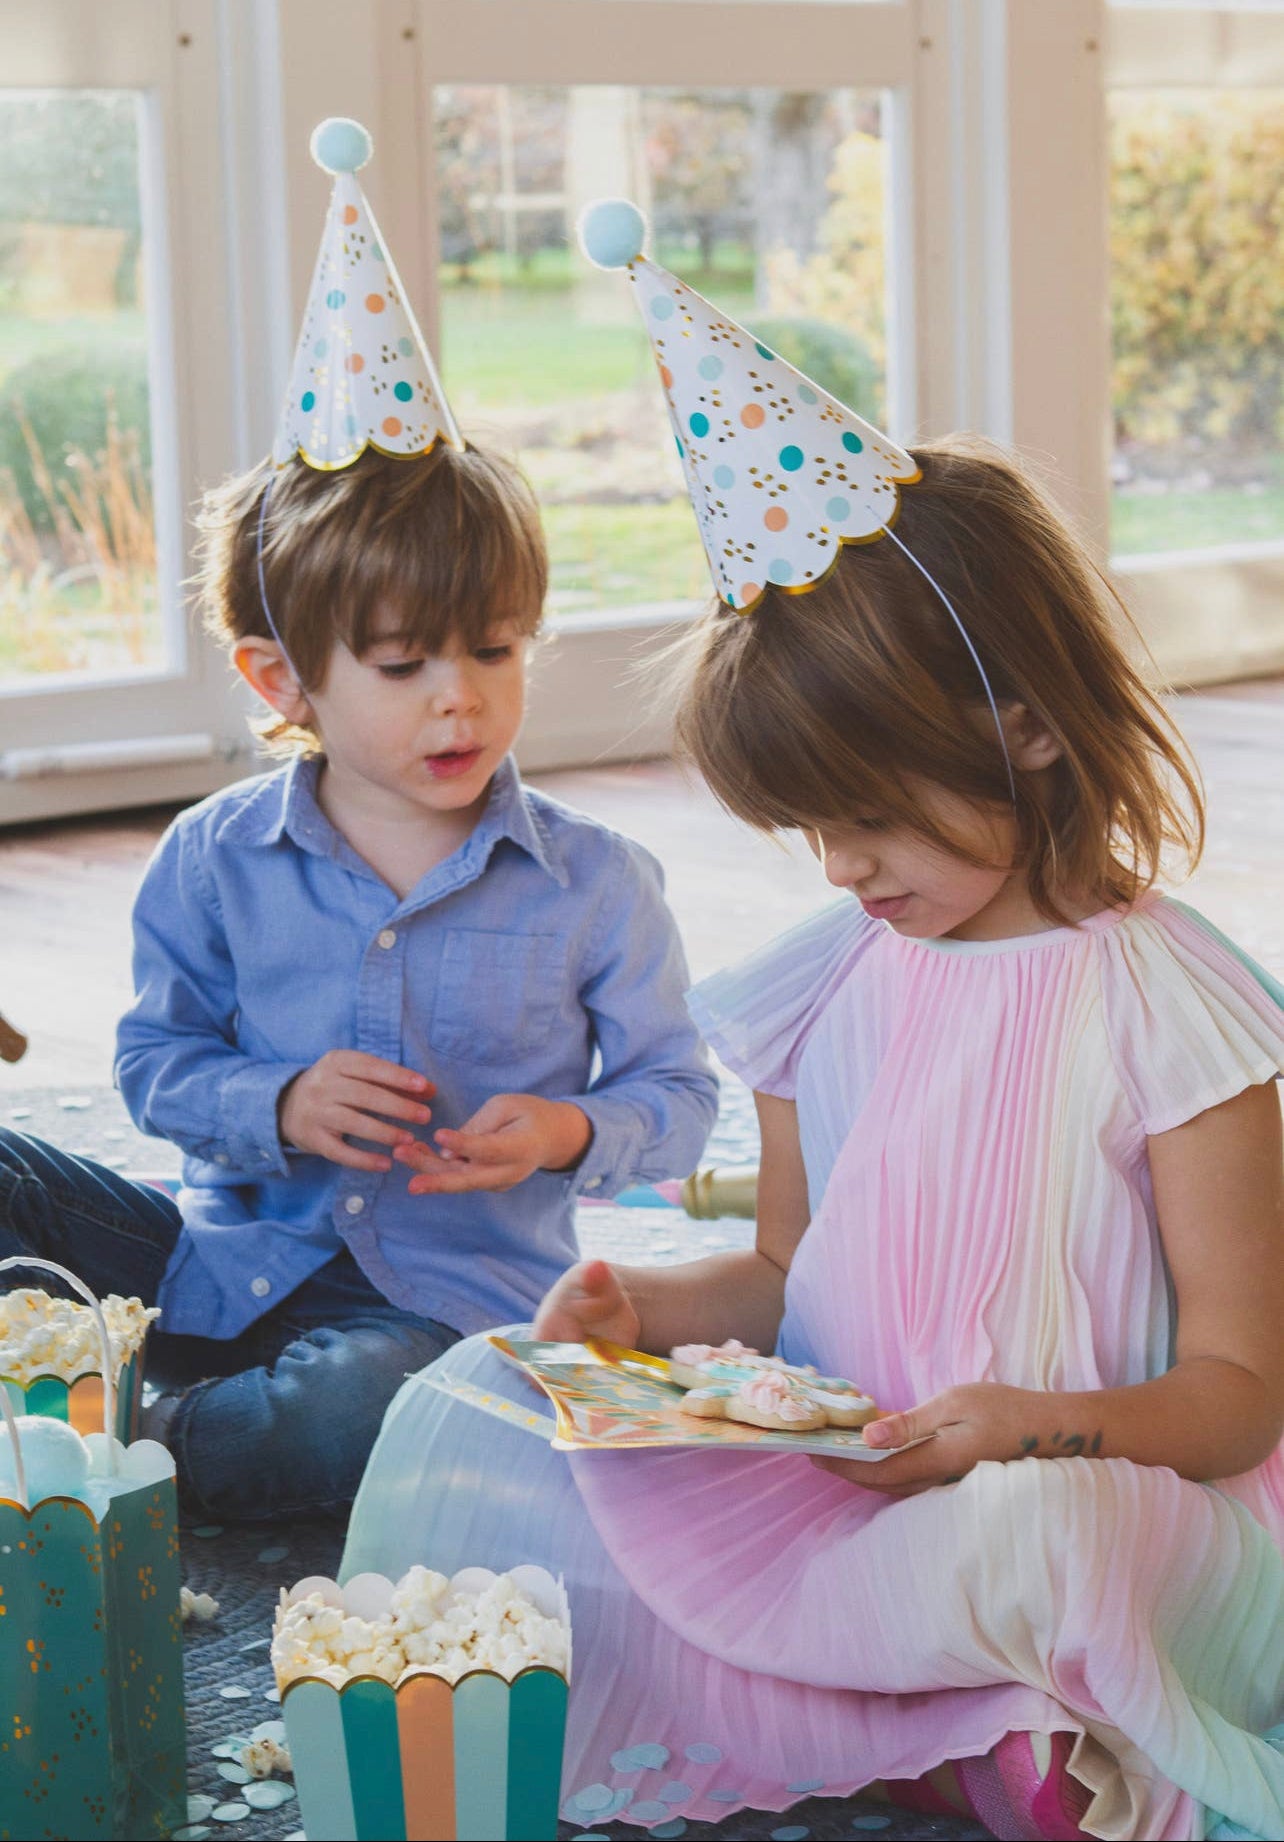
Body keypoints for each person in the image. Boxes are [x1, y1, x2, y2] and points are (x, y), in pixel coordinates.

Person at [343, 210, 1284, 1842]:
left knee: (1045, 1538)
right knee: (482, 1396)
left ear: (1034, 731)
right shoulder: (825, 977)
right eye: (807, 827)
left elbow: (1239, 1393)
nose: (844, 866)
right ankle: (957, 1716)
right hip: (865, 1503)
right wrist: (643, 1307)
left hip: (1121, 1502)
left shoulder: (1171, 1001)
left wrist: (1030, 1426)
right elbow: (785, 1283)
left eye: (870, 816)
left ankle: (959, 1706)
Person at [0, 135, 717, 1524]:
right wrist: (274, 1102)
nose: (461, 697)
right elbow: (154, 1065)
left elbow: (680, 1100)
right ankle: (113, 1385)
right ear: (284, 680)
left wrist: (566, 1128)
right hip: (216, 1267)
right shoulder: (213, 858)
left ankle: (131, 1436)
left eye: (496, 650)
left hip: (439, 1320)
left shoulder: (597, 883)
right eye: (403, 665)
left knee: (367, 1411)